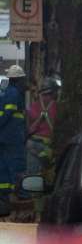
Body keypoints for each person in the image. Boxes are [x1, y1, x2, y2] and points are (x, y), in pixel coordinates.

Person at [0, 65, 27, 212]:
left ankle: (4, 195)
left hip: (4, 137)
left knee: (3, 166)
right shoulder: (14, 93)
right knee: (17, 165)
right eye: (22, 79)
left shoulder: (4, 93)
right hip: (12, 137)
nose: (24, 82)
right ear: (16, 80)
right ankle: (20, 193)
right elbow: (8, 114)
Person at [26, 78, 59, 184]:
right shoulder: (58, 106)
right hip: (48, 147)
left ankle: (31, 195)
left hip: (32, 144)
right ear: (54, 92)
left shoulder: (34, 106)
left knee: (32, 177)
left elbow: (29, 128)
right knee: (49, 177)